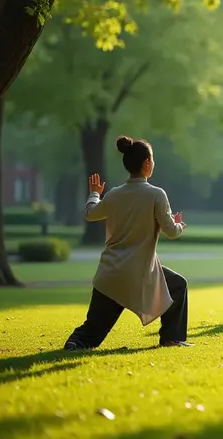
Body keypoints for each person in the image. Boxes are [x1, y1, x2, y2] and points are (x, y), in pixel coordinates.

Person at [63, 136, 192, 350]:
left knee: (90, 332)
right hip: (141, 273)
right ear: (147, 163)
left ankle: (75, 342)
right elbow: (171, 231)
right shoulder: (156, 194)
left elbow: (90, 213)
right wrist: (179, 225)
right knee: (178, 286)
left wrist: (95, 192)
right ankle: (172, 338)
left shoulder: (114, 194)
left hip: (111, 274)